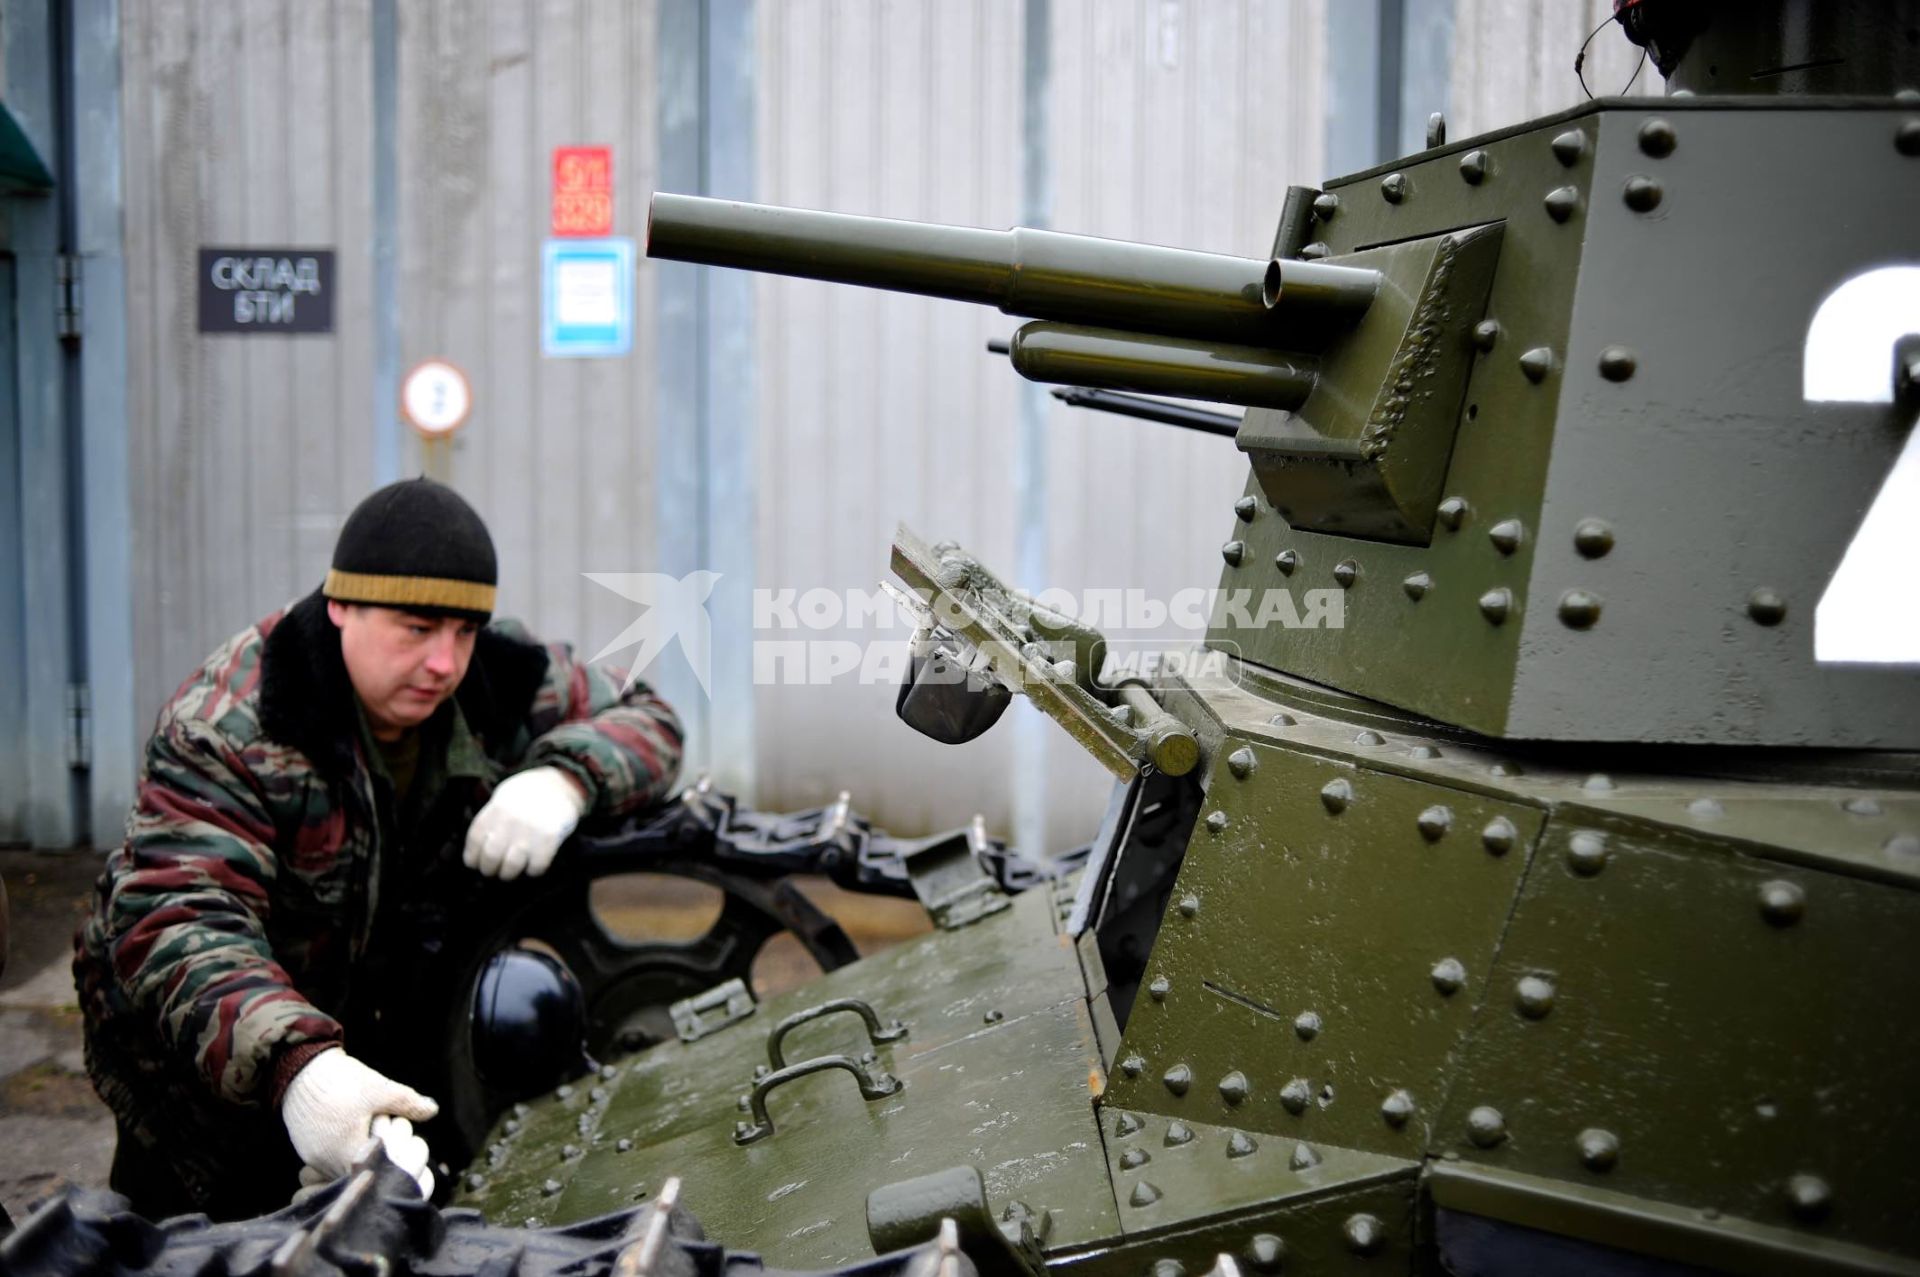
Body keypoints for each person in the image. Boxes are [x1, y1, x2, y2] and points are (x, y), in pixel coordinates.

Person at [72, 478, 683, 1221]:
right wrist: (299, 1068)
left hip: (392, 1050)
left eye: (463, 631)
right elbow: (178, 918)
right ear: (341, 607)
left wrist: (566, 777)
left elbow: (649, 715)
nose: (444, 663)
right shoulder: (231, 727)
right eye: (417, 627)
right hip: (203, 1090)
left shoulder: (500, 678)